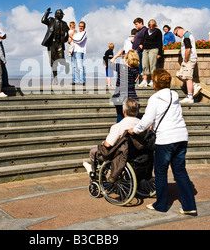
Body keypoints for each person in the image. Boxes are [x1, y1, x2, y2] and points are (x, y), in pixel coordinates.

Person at [129, 68, 197, 215]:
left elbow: (147, 120)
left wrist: (135, 130)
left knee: (160, 172)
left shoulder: (155, 98)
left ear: (155, 83)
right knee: (180, 171)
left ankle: (161, 204)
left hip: (165, 139)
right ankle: (189, 205)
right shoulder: (174, 95)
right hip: (181, 136)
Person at [84, 98, 141, 172]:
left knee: (93, 152)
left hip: (121, 156)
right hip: (138, 154)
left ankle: (96, 175)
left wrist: (104, 142)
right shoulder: (142, 125)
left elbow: (107, 145)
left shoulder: (119, 126)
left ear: (123, 111)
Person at [109, 49, 140, 123]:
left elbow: (109, 64)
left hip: (120, 95)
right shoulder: (137, 70)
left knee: (120, 116)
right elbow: (135, 80)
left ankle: (121, 133)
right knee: (131, 118)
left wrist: (117, 55)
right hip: (131, 96)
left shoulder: (122, 67)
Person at [173, 26, 202, 104]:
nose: (177, 36)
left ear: (179, 30)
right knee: (180, 75)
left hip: (188, 60)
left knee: (188, 78)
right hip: (186, 60)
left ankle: (190, 97)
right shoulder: (187, 36)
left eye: (176, 34)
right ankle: (195, 86)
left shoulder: (186, 36)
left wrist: (185, 60)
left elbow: (188, 49)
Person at [41, 8, 70, 85]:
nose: (61, 16)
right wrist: (47, 13)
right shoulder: (51, 20)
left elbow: (68, 32)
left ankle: (66, 64)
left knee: (61, 59)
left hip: (60, 43)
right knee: (53, 62)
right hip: (51, 44)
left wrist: (66, 39)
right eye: (60, 14)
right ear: (56, 15)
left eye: (62, 14)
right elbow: (43, 20)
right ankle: (55, 79)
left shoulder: (64, 23)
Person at [139, 19, 163, 87]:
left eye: (153, 26)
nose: (151, 28)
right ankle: (145, 80)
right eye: (150, 26)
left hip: (154, 49)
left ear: (155, 25)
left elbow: (160, 42)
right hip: (145, 49)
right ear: (148, 25)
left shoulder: (158, 31)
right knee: (144, 64)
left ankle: (153, 80)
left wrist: (159, 53)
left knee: (152, 64)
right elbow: (143, 39)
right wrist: (141, 44)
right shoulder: (146, 30)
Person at [71, 21, 87, 85]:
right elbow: (71, 41)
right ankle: (76, 81)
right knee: (74, 67)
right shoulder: (77, 33)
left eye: (82, 26)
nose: (80, 27)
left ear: (84, 27)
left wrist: (72, 38)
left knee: (80, 66)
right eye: (80, 26)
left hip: (80, 51)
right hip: (74, 51)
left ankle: (82, 81)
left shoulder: (84, 33)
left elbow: (79, 41)